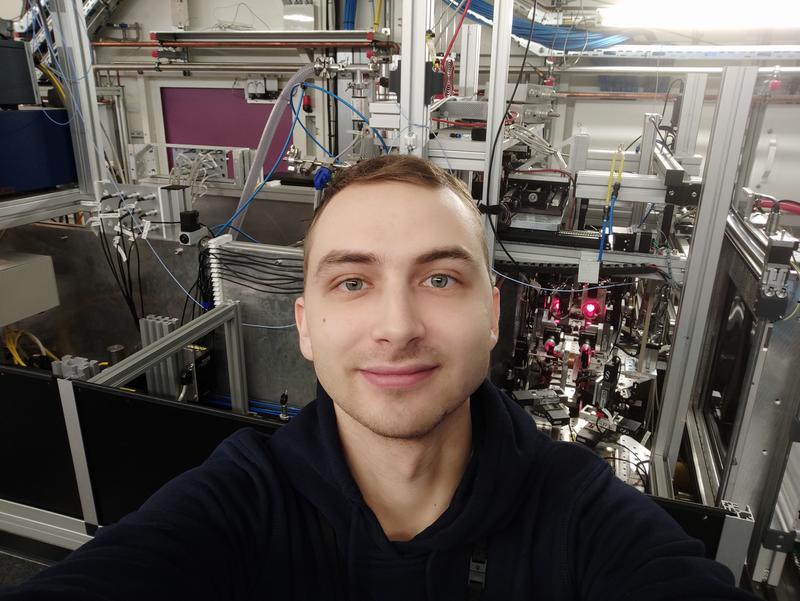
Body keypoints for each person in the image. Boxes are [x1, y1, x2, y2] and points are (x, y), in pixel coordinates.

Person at [1, 155, 758, 601]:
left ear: (492, 314)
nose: (397, 326)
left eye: (438, 279)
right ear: (303, 323)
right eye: (353, 283)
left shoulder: (580, 515)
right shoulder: (239, 502)